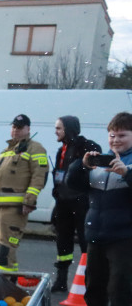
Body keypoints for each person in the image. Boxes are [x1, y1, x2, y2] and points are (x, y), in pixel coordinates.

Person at [66, 111, 132, 306]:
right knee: (93, 288)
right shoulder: (100, 160)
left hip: (124, 237)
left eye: (122, 135)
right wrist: (81, 165)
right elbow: (73, 185)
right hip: (96, 234)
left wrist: (126, 173)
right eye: (112, 135)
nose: (116, 140)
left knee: (121, 290)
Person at [0, 113, 49, 271]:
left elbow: (39, 176)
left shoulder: (35, 148)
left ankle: (2, 285)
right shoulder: (7, 150)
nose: (16, 130)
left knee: (5, 249)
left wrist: (29, 200)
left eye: (20, 127)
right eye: (14, 127)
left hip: (15, 206)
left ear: (28, 129)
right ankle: (10, 281)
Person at [50, 115, 100, 293]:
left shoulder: (86, 145)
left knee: (86, 242)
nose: (55, 131)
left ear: (69, 129)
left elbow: (96, 158)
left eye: (58, 128)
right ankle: (61, 280)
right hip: (63, 203)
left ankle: (90, 282)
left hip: (81, 203)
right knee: (62, 241)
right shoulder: (60, 150)